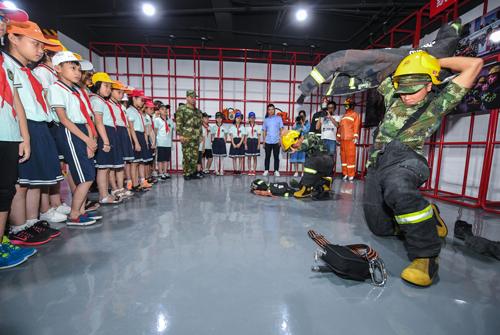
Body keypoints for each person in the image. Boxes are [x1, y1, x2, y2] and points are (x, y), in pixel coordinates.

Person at [363, 51, 483, 287]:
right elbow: (377, 72)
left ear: (429, 85)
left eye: (413, 89)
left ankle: (425, 257)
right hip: (378, 161)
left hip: (407, 158)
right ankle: (431, 215)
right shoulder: (393, 94)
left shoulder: (439, 102)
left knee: (398, 188)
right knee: (379, 228)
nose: (406, 95)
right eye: (403, 89)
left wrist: (432, 63)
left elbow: (475, 64)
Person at [4, 21, 63, 246]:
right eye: (35, 44)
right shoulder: (7, 64)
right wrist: (24, 134)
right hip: (23, 125)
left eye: (42, 46)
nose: (40, 50)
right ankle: (19, 227)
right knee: (22, 181)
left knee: (36, 180)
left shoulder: (26, 70)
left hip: (39, 125)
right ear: (13, 39)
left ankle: (30, 221)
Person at [0, 3, 38, 269]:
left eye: (3, 18)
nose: (2, 23)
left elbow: (15, 100)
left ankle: (2, 242)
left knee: (4, 190)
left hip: (8, 132)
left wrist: (23, 135)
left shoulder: (5, 63)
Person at [47, 51, 98, 226]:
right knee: (86, 177)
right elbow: (64, 119)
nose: (77, 72)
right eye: (72, 67)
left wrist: (91, 140)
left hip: (83, 130)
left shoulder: (76, 90)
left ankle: (82, 211)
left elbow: (87, 116)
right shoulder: (56, 88)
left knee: (87, 174)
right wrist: (86, 139)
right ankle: (74, 214)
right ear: (58, 69)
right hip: (71, 132)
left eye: (78, 68)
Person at [34, 39, 72, 224]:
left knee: (54, 166)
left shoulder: (50, 74)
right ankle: (46, 208)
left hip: (53, 123)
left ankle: (56, 202)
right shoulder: (42, 72)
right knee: (45, 168)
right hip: (47, 122)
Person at [89, 72, 123, 204]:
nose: (108, 89)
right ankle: (103, 195)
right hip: (104, 133)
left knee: (107, 167)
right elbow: (98, 122)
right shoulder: (96, 101)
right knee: (103, 168)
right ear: (97, 86)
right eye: (105, 86)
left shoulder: (102, 101)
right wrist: (106, 141)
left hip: (109, 132)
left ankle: (105, 194)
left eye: (110, 87)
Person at [282, 130, 333, 200]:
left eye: (293, 145)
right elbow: (287, 150)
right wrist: (281, 138)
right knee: (302, 184)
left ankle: (307, 190)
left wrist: (294, 149)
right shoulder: (302, 140)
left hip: (325, 161)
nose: (293, 147)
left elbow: (303, 146)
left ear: (296, 139)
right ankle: (324, 183)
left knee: (310, 162)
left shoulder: (309, 138)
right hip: (321, 164)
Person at [108, 81, 134, 198]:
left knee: (120, 163)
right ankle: (114, 188)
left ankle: (120, 187)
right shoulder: (108, 104)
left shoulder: (120, 106)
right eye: (118, 92)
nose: (121, 95)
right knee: (112, 164)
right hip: (114, 132)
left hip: (122, 132)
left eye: (122, 93)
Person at [126, 89, 150, 192]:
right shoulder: (130, 111)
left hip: (140, 135)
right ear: (134, 98)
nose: (143, 102)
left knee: (141, 161)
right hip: (135, 135)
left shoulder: (138, 112)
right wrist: (135, 142)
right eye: (141, 100)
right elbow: (131, 128)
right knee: (134, 163)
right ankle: (134, 184)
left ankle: (141, 182)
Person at [176, 90, 203, 180]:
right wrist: (180, 135)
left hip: (196, 137)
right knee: (187, 156)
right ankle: (186, 173)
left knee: (195, 156)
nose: (193, 99)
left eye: (194, 97)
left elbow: (200, 125)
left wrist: (201, 136)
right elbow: (179, 122)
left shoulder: (198, 111)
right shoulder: (182, 109)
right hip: (186, 136)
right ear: (187, 97)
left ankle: (193, 172)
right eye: (191, 97)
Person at [337, 97, 361, 181]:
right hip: (343, 140)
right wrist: (338, 137)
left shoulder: (355, 115)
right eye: (345, 105)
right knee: (343, 157)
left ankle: (351, 174)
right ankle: (345, 173)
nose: (345, 106)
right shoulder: (344, 116)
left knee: (350, 157)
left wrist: (355, 136)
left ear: (351, 105)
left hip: (350, 139)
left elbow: (356, 126)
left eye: (347, 105)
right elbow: (340, 127)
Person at [316, 101, 339, 176]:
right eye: (328, 108)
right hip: (323, 139)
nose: (330, 109)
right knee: (322, 157)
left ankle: (330, 173)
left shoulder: (337, 117)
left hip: (332, 140)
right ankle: (323, 172)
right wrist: (320, 116)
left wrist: (330, 117)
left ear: (334, 109)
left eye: (331, 108)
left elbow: (337, 125)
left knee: (331, 157)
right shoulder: (323, 117)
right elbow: (317, 127)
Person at [262, 104, 284, 176]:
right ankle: (266, 170)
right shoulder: (266, 120)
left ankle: (276, 170)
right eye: (269, 109)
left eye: (272, 109)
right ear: (267, 111)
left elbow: (281, 130)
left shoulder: (279, 118)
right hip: (268, 141)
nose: (271, 111)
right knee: (267, 157)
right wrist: (264, 141)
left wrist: (281, 139)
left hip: (276, 141)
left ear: (274, 110)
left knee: (276, 157)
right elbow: (264, 131)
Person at [154, 103, 175, 180]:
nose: (165, 111)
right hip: (160, 142)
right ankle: (160, 172)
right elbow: (155, 131)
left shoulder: (170, 120)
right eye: (163, 109)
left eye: (166, 109)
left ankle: (165, 171)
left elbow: (171, 132)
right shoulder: (157, 120)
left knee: (166, 159)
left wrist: (171, 142)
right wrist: (155, 142)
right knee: (160, 159)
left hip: (168, 143)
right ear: (159, 111)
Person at [211, 112, 227, 176]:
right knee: (216, 157)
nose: (219, 119)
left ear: (222, 119)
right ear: (216, 119)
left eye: (220, 118)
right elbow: (212, 135)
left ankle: (221, 170)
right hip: (215, 141)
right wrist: (213, 141)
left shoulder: (224, 127)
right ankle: (216, 170)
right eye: (218, 118)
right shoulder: (213, 127)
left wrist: (224, 142)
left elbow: (225, 135)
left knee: (222, 157)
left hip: (221, 141)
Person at [244, 112, 260, 176]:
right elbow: (245, 136)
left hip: (255, 142)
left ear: (255, 118)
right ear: (249, 118)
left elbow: (259, 136)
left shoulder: (257, 126)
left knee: (255, 157)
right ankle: (250, 170)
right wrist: (245, 144)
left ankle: (254, 170)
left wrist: (259, 144)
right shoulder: (247, 127)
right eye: (251, 118)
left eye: (253, 117)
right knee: (249, 157)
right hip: (249, 141)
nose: (252, 119)